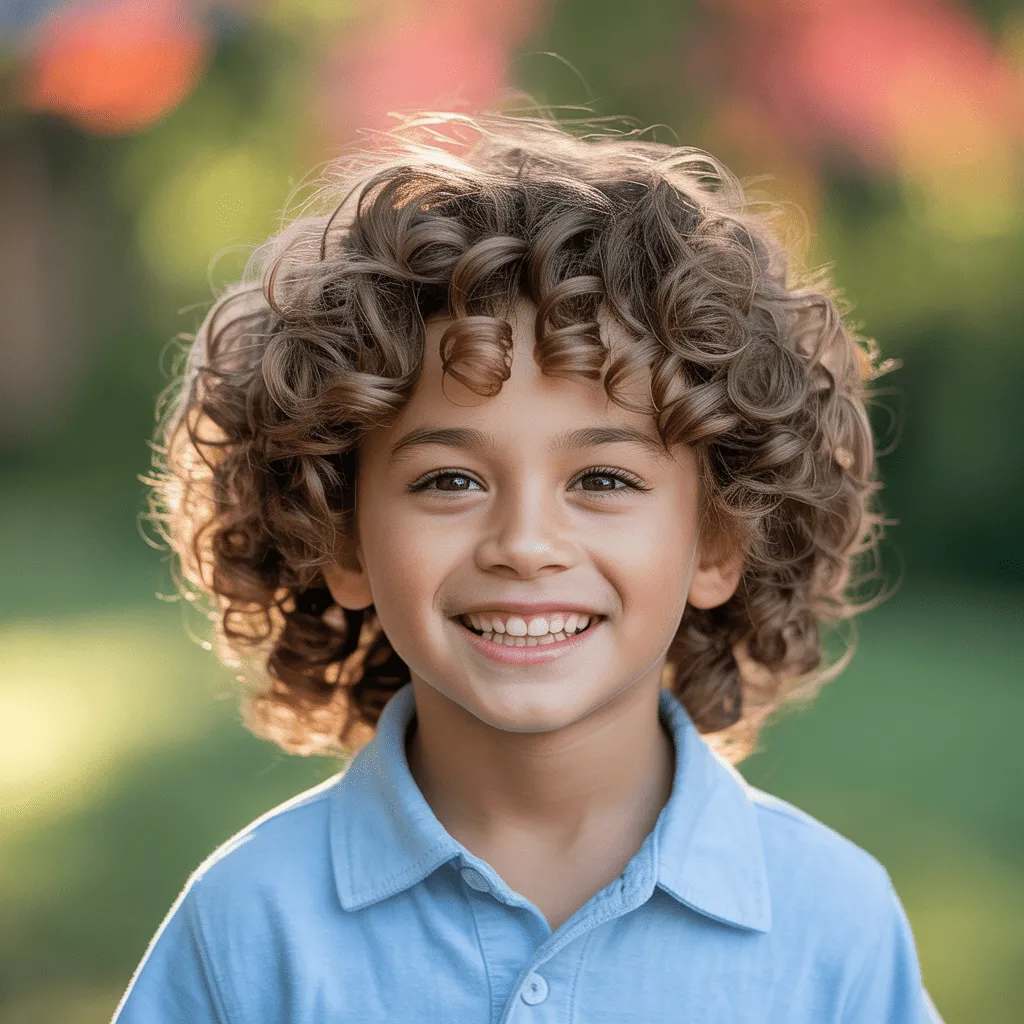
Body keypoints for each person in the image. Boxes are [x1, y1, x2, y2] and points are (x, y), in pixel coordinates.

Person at [113, 111, 942, 1022]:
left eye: (602, 477)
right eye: (450, 478)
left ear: (717, 542)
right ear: (342, 539)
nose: (525, 542)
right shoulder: (247, 928)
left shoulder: (833, 928)